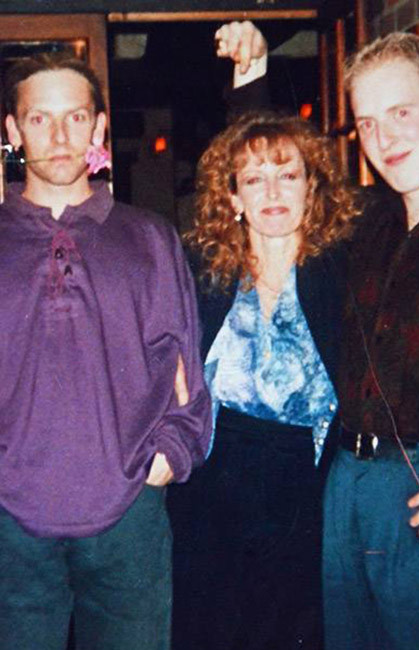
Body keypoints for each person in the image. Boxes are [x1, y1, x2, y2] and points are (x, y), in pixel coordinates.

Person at [0, 51, 211, 650]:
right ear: (13, 130)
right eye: (39, 119)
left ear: (98, 127)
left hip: (127, 517)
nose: (59, 136)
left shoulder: (149, 237)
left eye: (75, 117)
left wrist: (169, 454)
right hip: (10, 525)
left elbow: (184, 364)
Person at [167, 82, 361, 649]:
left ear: (311, 187)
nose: (272, 191)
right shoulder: (202, 274)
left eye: (288, 174)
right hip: (212, 485)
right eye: (254, 179)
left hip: (308, 489)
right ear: (233, 197)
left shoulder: (345, 271)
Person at [323, 32, 419, 650]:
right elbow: (278, 174)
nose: (384, 140)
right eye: (367, 123)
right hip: (350, 490)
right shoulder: (369, 225)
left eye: (401, 112)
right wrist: (252, 75)